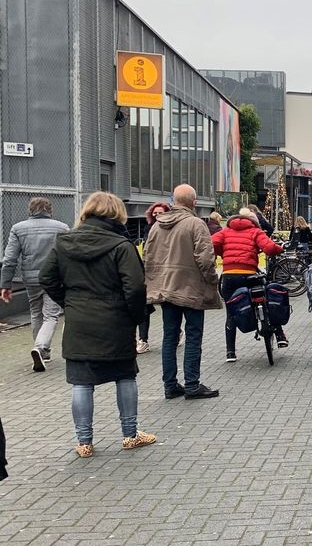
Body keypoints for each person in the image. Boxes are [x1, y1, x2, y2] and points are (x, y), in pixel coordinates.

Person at [40, 192, 157, 458]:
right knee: (125, 375)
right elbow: (135, 287)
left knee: (81, 382)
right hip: (115, 320)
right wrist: (136, 316)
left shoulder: (63, 243)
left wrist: (69, 302)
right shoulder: (121, 246)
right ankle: (130, 434)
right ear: (117, 213)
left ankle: (84, 442)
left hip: (79, 320)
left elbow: (46, 277)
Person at [145, 184, 221, 400]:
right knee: (193, 335)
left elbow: (148, 258)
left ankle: (170, 385)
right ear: (194, 202)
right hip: (191, 288)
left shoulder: (156, 227)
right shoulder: (196, 224)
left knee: (170, 336)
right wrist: (212, 282)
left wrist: (154, 283)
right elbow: (206, 259)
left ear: (173, 201)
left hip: (166, 289)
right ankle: (192, 384)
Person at [1, 197, 70, 372]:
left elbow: (9, 259)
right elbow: (68, 255)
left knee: (35, 312)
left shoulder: (18, 228)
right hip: (54, 278)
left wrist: (5, 285)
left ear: (30, 210)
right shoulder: (62, 228)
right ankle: (40, 347)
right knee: (51, 315)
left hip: (31, 279)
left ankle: (43, 352)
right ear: (49, 210)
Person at [212, 208, 286, 362]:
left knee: (231, 313)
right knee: (266, 299)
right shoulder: (255, 231)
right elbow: (270, 248)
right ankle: (279, 334)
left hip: (229, 276)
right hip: (248, 275)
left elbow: (211, 243)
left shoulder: (226, 231)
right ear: (254, 221)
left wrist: (223, 253)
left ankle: (230, 353)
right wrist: (279, 249)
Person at [135, 202, 170, 355]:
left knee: (167, 305)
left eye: (160, 212)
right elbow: (146, 250)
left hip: (167, 271)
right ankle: (143, 340)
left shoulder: (171, 229)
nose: (157, 215)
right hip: (150, 271)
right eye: (155, 213)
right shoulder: (148, 229)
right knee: (144, 304)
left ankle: (175, 332)